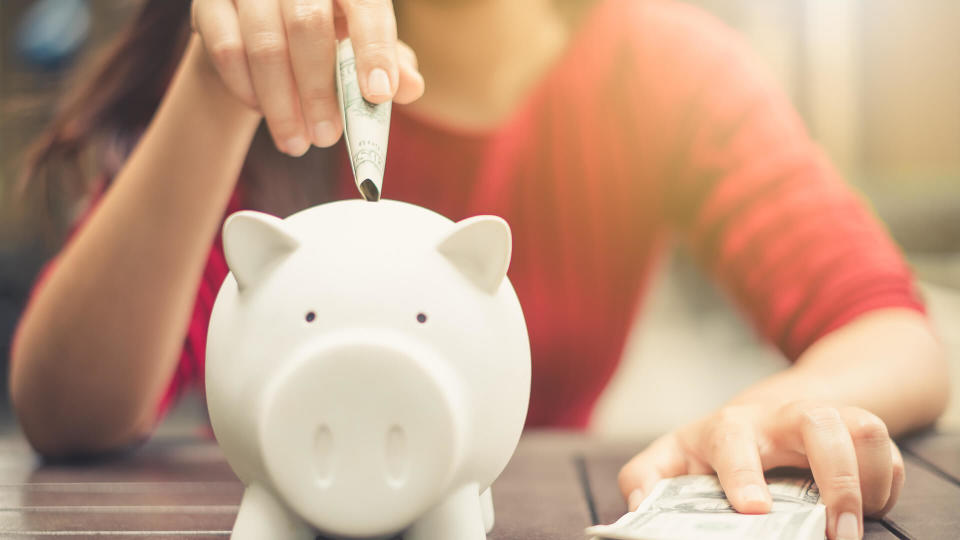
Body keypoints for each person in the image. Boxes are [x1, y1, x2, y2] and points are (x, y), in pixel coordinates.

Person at [8, 1, 948, 539]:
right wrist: (216, 91)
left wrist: (779, 409)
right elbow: (69, 407)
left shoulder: (667, 66)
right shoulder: (266, 58)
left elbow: (889, 326)